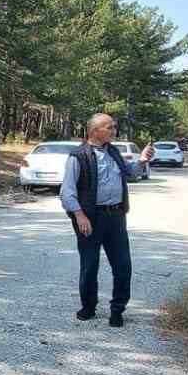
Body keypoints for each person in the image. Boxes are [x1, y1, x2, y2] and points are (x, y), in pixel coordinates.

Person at [61, 113, 133, 327]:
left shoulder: (114, 152)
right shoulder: (78, 155)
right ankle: (88, 307)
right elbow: (67, 192)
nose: (113, 130)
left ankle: (117, 310)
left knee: (123, 265)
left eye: (114, 126)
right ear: (94, 131)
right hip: (90, 218)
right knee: (90, 265)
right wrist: (79, 215)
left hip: (116, 216)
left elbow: (129, 172)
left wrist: (144, 160)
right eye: (109, 127)